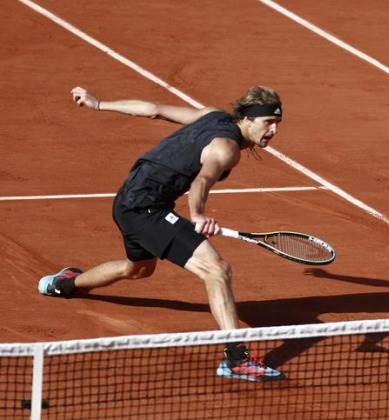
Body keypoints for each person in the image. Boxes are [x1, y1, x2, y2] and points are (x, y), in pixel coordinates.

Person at [38, 86, 285, 382]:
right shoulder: (227, 148)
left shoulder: (212, 115)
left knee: (138, 269)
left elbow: (153, 109)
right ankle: (236, 359)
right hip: (145, 209)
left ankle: (65, 284)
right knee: (216, 269)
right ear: (247, 119)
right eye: (267, 122)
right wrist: (198, 215)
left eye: (276, 124)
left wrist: (100, 103)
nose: (272, 130)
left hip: (129, 199)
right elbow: (202, 179)